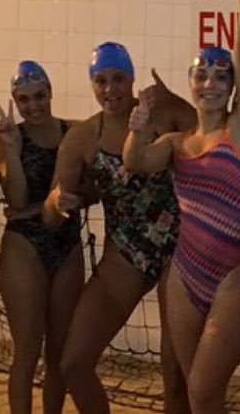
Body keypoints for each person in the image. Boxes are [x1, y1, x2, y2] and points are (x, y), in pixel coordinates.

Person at [122, 0, 240, 413]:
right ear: (190, 83)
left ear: (231, 86)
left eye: (220, 77)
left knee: (204, 390)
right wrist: (137, 131)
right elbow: (135, 162)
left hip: (235, 275)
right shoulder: (176, 143)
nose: (210, 84)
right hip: (184, 272)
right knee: (193, 393)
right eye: (201, 75)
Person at [49, 43, 196, 414]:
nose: (110, 88)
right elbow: (51, 213)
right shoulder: (82, 137)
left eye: (118, 79)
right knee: (74, 363)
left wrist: (177, 100)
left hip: (178, 249)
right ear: (91, 84)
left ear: (131, 79)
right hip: (125, 253)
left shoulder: (164, 115)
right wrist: (57, 203)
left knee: (176, 375)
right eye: (100, 80)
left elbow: (214, 136)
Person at [0, 60, 83, 414]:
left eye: (39, 96)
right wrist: (12, 153)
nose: (33, 106)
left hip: (67, 244)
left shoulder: (74, 133)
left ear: (50, 93)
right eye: (24, 99)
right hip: (24, 247)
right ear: (15, 101)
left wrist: (38, 207)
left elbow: (90, 191)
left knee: (59, 352)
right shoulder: (4, 139)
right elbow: (15, 199)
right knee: (27, 351)